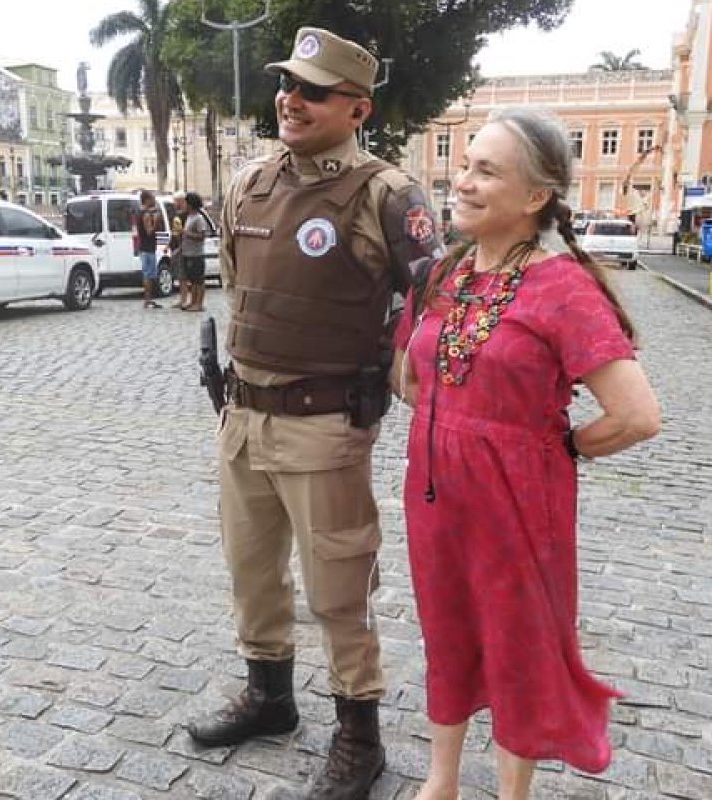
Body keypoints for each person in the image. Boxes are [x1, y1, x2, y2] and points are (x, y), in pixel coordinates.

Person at [186, 26, 442, 799]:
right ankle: (269, 696)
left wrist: (406, 375)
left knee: (338, 588)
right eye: (287, 84)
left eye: (314, 91)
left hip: (325, 428)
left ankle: (359, 736)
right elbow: (240, 288)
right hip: (243, 418)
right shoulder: (249, 184)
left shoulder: (386, 194)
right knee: (252, 571)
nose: (291, 100)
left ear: (358, 108)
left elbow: (433, 308)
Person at [391, 107, 661, 800]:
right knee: (447, 631)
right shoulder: (443, 275)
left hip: (517, 504)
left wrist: (556, 447)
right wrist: (453, 422)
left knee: (518, 646)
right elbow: (409, 379)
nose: (463, 181)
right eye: (464, 165)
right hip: (435, 494)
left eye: (486, 171)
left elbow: (636, 416)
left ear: (536, 195)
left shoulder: (563, 288)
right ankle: (441, 782)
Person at [179, 191, 208, 312]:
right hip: (187, 252)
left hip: (196, 254)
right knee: (192, 280)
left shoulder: (198, 218)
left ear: (190, 204)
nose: (184, 205)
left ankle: (199, 304)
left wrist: (186, 233)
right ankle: (193, 301)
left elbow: (202, 236)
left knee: (198, 281)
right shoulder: (189, 217)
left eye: (185, 202)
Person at [135, 190, 162, 308]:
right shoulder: (145, 214)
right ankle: (148, 299)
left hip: (145, 247)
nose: (154, 200)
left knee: (148, 274)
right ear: (146, 200)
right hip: (148, 248)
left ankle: (148, 299)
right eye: (152, 198)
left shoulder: (140, 212)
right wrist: (155, 221)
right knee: (148, 275)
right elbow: (149, 231)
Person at [171, 191, 190, 310]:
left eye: (176, 201)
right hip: (177, 247)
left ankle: (185, 300)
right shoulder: (179, 214)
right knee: (180, 276)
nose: (174, 204)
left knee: (184, 276)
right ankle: (182, 299)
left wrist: (179, 248)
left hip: (182, 248)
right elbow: (175, 232)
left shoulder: (185, 215)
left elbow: (182, 233)